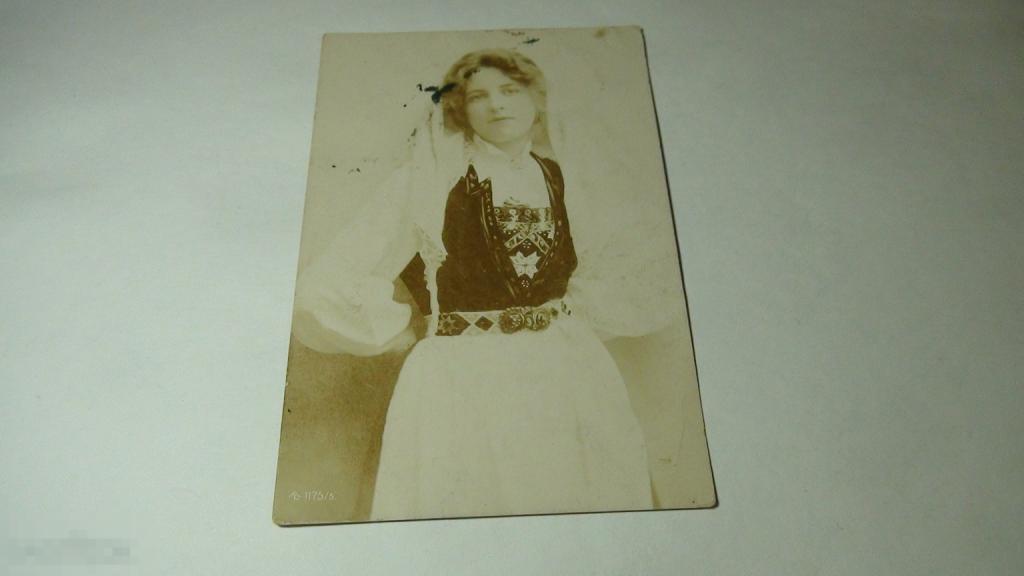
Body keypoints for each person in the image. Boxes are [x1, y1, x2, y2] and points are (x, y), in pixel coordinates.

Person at [292, 48, 674, 520]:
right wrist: (395, 329)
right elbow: (332, 279)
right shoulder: (427, 182)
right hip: (464, 374)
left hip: (566, 370)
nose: (497, 105)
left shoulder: (565, 180)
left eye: (510, 91)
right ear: (459, 108)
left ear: (536, 100)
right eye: (479, 96)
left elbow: (633, 266)